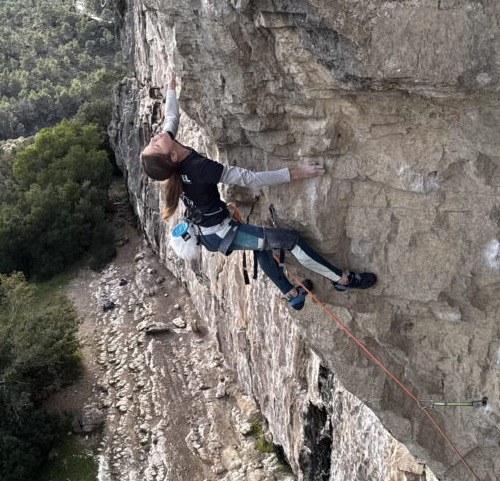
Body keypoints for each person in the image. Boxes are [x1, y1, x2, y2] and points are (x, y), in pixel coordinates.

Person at [139, 71, 376, 310]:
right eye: (155, 144)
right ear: (170, 155)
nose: (156, 137)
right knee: (292, 240)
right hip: (220, 232)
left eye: (152, 142)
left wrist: (170, 86)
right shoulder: (199, 168)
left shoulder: (174, 159)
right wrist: (295, 173)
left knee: (262, 245)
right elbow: (249, 178)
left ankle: (293, 293)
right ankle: (342, 279)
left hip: (207, 230)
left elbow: (171, 117)